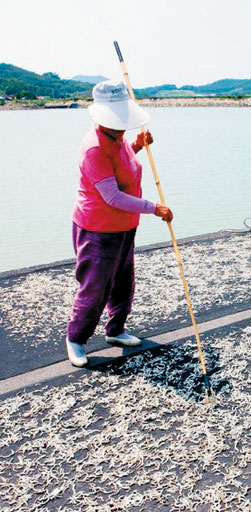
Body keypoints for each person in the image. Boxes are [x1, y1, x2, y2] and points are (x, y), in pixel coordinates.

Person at [66, 80, 173, 367]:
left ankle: (115, 330)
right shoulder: (94, 148)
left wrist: (137, 146)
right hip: (97, 228)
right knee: (95, 285)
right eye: (118, 121)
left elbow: (123, 168)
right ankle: (76, 338)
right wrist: (154, 208)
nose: (123, 126)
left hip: (125, 225)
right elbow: (112, 195)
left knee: (124, 282)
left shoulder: (117, 138)